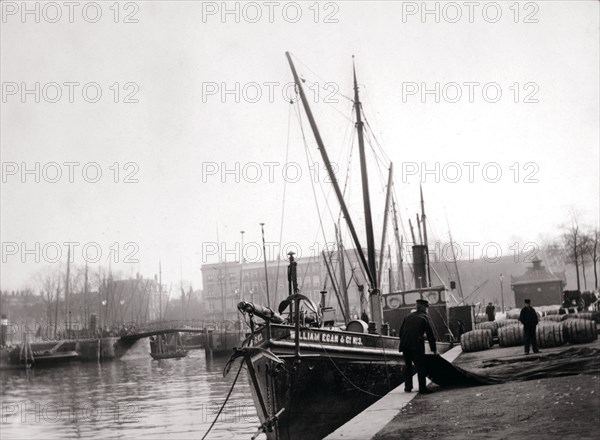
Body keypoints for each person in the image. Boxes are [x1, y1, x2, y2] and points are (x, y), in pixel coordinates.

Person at [399, 299, 437, 394]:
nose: (427, 310)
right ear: (424, 307)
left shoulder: (407, 316)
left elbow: (400, 333)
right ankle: (422, 388)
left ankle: (408, 387)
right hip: (416, 345)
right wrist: (434, 350)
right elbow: (430, 336)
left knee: (408, 366)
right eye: (427, 307)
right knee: (421, 367)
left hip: (405, 345)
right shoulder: (424, 318)